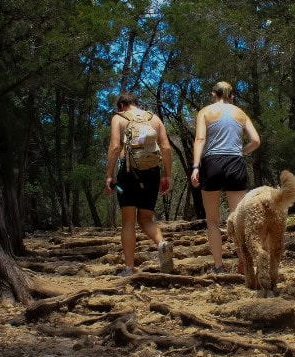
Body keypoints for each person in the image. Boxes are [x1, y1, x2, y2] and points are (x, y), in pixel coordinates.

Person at [191, 81, 261, 274]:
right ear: (232, 97)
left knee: (212, 220)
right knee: (238, 218)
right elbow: (255, 141)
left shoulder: (205, 112)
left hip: (212, 163)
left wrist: (196, 166)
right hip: (235, 163)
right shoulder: (241, 113)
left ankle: (218, 266)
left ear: (213, 94)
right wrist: (242, 152)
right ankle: (244, 263)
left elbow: (200, 139)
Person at [105, 93, 175, 276]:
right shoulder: (155, 119)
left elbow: (114, 147)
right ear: (137, 104)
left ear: (121, 105)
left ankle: (129, 269)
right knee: (146, 220)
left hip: (128, 174)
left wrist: (109, 176)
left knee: (128, 221)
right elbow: (166, 148)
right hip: (152, 174)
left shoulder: (118, 119)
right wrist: (167, 175)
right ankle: (161, 244)